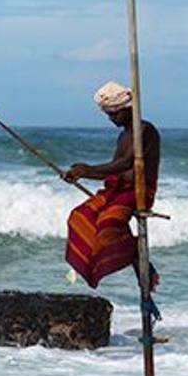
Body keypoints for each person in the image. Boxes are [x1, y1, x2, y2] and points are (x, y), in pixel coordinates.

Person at [63, 81, 160, 290]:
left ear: (127, 109)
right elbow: (114, 170)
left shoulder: (144, 130)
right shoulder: (123, 135)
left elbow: (125, 163)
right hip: (117, 189)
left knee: (108, 223)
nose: (111, 119)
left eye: (114, 114)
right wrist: (79, 175)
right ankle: (133, 255)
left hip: (139, 191)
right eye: (109, 115)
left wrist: (87, 170)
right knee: (79, 217)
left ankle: (136, 255)